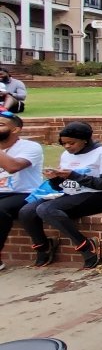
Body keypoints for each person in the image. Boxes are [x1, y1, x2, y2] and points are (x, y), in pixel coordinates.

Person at [19, 121, 102, 269]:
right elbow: (62, 186)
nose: (67, 147)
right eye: (63, 143)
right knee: (26, 211)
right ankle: (44, 246)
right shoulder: (66, 155)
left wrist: (74, 175)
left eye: (71, 143)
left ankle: (85, 245)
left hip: (100, 196)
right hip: (71, 194)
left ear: (85, 140)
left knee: (46, 210)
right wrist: (54, 179)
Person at [0, 112, 44, 271]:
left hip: (25, 193)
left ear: (15, 130)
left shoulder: (30, 147)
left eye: (1, 125)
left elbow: (13, 167)